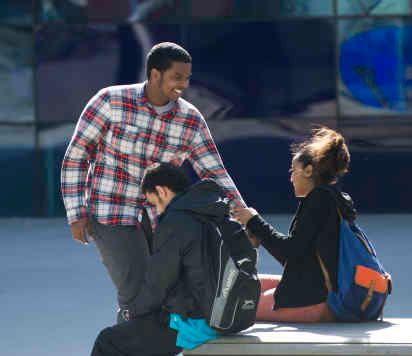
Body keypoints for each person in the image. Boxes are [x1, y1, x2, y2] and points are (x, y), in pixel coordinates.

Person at [60, 42, 244, 323]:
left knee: (163, 295)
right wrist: (76, 213)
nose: (183, 85)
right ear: (155, 74)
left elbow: (214, 173)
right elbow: (76, 156)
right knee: (135, 294)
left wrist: (243, 215)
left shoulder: (190, 120)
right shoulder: (110, 101)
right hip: (111, 213)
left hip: (160, 219)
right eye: (177, 77)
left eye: (187, 78)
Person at [91, 163, 232, 356]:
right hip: (221, 316)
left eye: (155, 203)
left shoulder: (175, 223)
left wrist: (132, 310)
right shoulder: (214, 216)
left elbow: (158, 283)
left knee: (108, 340)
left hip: (194, 324)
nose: (157, 210)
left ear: (162, 191)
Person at [233, 127, 357, 322]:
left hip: (315, 300)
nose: (291, 177)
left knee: (230, 305)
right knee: (239, 286)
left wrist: (253, 220)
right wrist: (259, 232)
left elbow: (289, 253)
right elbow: (298, 257)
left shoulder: (319, 200)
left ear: (308, 171)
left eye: (294, 170)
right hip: (322, 289)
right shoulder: (335, 198)